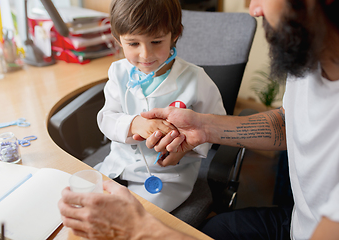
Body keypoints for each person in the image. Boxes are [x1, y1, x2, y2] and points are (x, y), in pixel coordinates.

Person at [59, 0, 339, 239]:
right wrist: (204, 128)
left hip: (166, 180)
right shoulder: (308, 61)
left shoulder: (196, 79)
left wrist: (138, 230)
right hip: (297, 223)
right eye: (133, 43)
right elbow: (288, 122)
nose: (254, 9)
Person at [92, 0, 226, 212]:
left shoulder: (196, 79)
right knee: (84, 204)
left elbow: (217, 126)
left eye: (156, 42)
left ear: (175, 34)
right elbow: (107, 117)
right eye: (133, 44)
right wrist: (134, 124)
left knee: (134, 220)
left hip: (167, 175)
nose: (145, 54)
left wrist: (186, 147)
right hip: (118, 164)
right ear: (118, 39)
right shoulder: (118, 72)